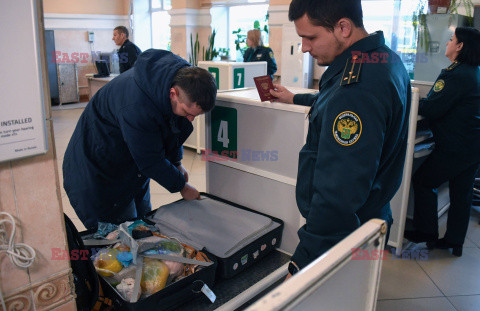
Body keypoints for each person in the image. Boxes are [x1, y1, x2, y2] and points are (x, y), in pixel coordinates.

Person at [270, 0, 411, 278]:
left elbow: (340, 190)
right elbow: (333, 101)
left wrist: (304, 258)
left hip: (343, 233)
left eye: (310, 37)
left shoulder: (357, 84)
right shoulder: (382, 60)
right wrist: (295, 97)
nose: (304, 48)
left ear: (343, 27)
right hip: (369, 217)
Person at [63, 49, 217, 230]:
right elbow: (150, 160)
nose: (190, 119)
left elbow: (173, 125)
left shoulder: (174, 80)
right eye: (188, 113)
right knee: (119, 240)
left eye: (195, 116)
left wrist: (176, 162)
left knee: (143, 223)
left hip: (131, 167)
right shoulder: (137, 107)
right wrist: (182, 186)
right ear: (173, 94)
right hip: (98, 174)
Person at [404, 27, 480, 257]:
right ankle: (454, 242)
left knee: (424, 181)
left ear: (460, 46)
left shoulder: (454, 74)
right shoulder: (474, 71)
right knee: (462, 193)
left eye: (451, 39)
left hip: (455, 146)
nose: (447, 43)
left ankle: (427, 233)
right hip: (472, 145)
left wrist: (406, 95)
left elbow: (432, 109)